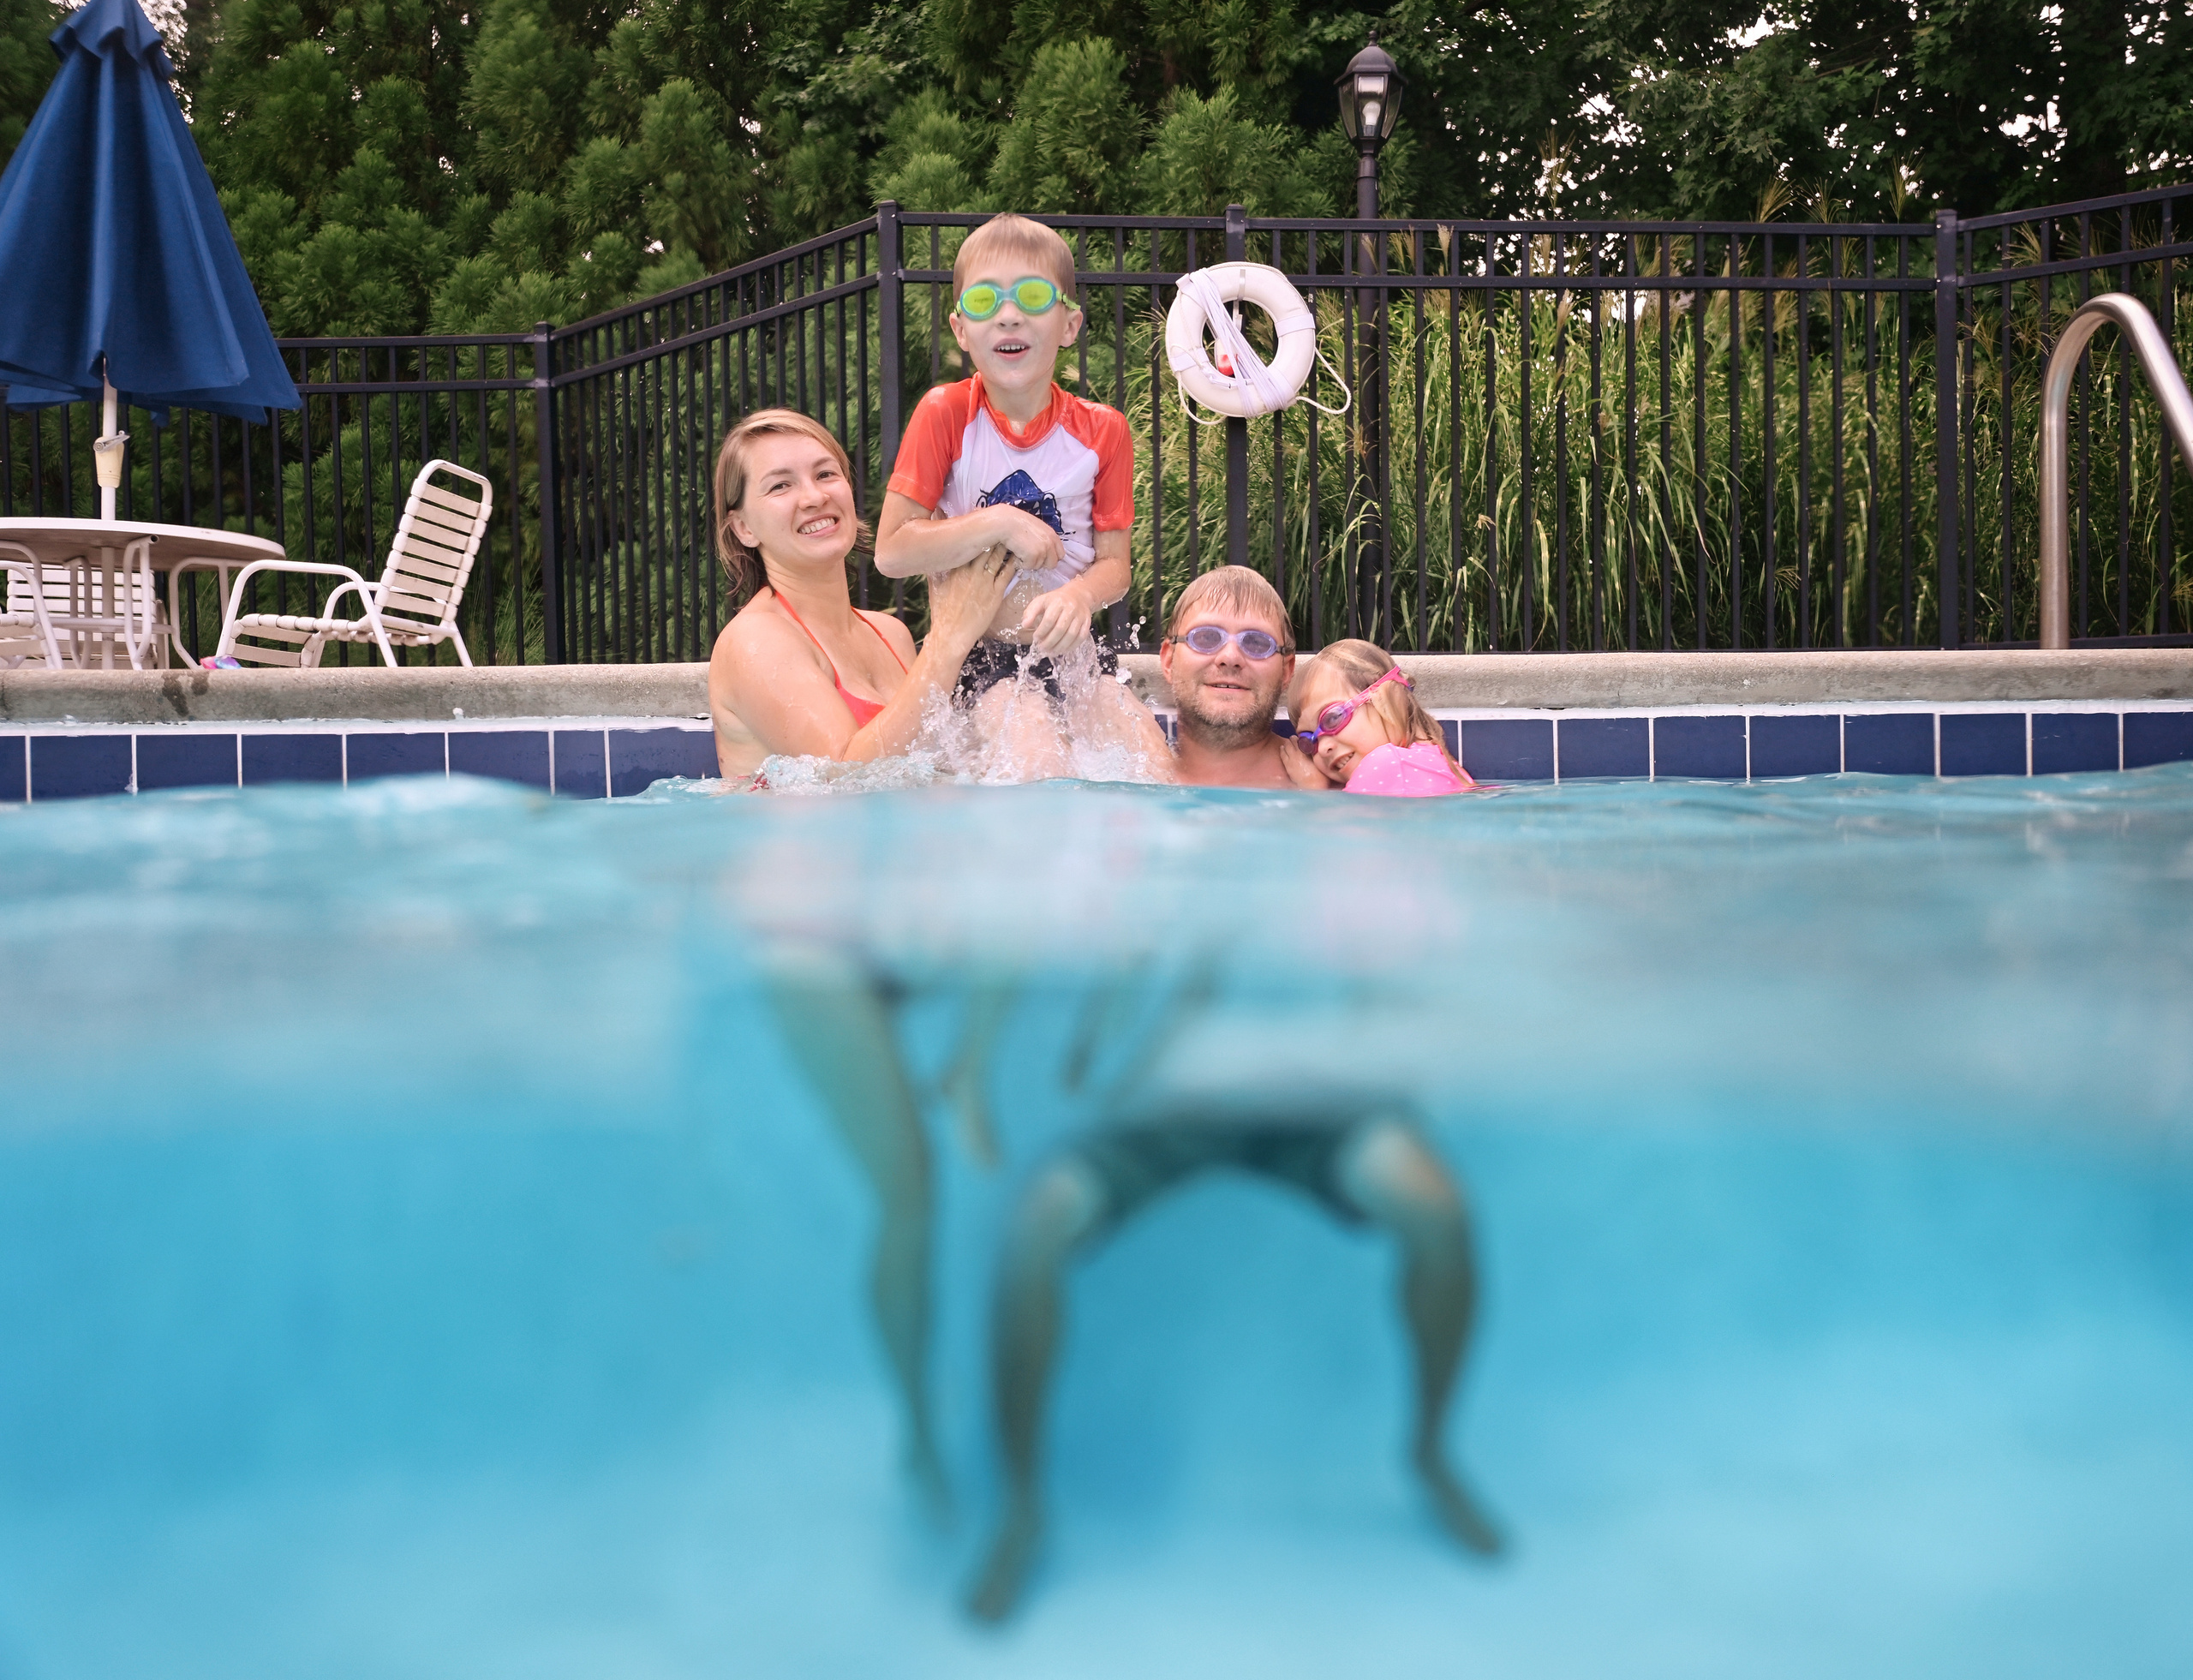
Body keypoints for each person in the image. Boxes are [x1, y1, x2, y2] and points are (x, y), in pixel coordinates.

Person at [965, 966, 1503, 1623]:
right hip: (1168, 1100)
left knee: (1438, 1210)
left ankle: (1431, 1453)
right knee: (1033, 1228)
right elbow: (1086, 1040)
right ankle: (1021, 1508)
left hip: (1316, 1101)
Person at [873, 212, 1168, 778]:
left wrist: (1079, 596)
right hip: (982, 660)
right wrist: (1000, 522)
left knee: (1156, 766)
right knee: (1039, 758)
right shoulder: (946, 414)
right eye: (985, 300)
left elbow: (1116, 568)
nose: (1009, 314)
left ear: (1070, 324)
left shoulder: (1103, 431)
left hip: (1073, 655)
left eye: (1032, 296)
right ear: (962, 330)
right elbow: (891, 551)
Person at [707, 407, 1019, 778]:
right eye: (780, 486)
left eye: (825, 474)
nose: (814, 496)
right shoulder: (754, 641)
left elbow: (932, 769)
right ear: (743, 528)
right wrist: (947, 639)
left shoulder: (890, 634)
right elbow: (846, 775)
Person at [1158, 565, 1333, 790]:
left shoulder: (1329, 782)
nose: (1230, 657)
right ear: (1169, 661)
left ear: (1286, 671)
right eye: (1206, 638)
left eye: (1257, 643)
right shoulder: (1127, 768)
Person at [1288, 638, 1475, 796]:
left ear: (1388, 697)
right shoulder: (1430, 762)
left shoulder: (1390, 763)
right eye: (1308, 741)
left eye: (1332, 718)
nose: (1322, 749)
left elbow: (1338, 828)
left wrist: (1313, 791)